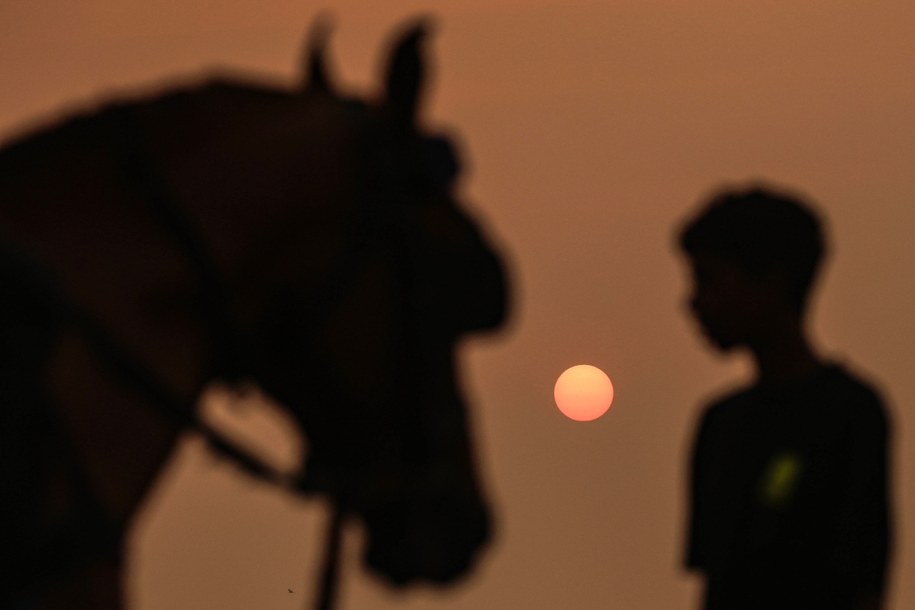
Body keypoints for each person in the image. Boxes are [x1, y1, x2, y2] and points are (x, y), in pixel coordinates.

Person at [676, 184, 892, 610]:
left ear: (772, 282)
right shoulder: (720, 423)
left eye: (710, 279)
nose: (694, 302)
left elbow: (862, 577)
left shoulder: (847, 415)